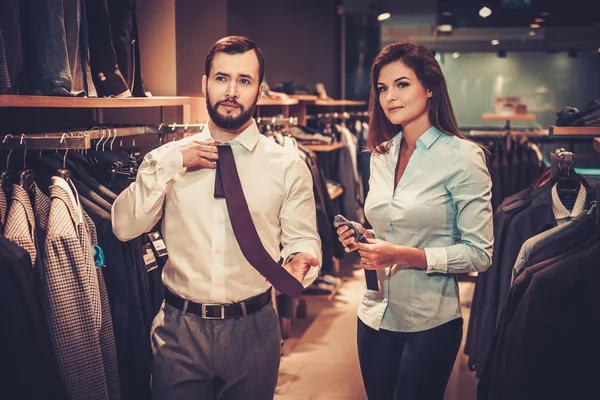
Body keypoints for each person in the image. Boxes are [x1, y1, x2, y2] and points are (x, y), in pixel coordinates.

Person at [112, 36, 322, 400]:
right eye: (222, 78)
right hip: (180, 331)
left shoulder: (288, 164)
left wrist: (300, 263)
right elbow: (124, 226)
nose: (231, 91)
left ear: (259, 90)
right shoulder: (165, 158)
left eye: (244, 80)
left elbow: (302, 240)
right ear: (204, 84)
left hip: (254, 330)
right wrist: (172, 164)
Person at [337, 40, 494, 400]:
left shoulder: (463, 158)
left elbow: (479, 254)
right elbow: (395, 225)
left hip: (429, 323)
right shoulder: (380, 156)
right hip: (374, 315)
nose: (389, 96)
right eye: (382, 88)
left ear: (429, 88)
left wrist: (401, 255)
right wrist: (365, 235)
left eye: (401, 84)